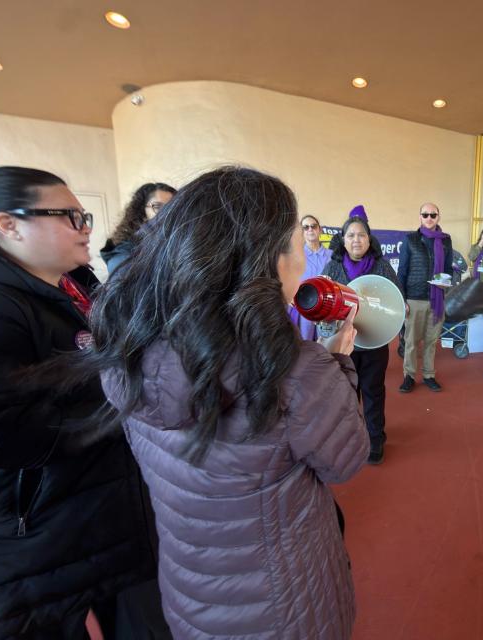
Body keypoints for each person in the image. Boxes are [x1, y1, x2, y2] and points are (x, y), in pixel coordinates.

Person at [72, 166, 368, 638]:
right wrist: (338, 365)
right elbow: (346, 460)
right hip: (283, 604)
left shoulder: (127, 343)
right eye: (295, 246)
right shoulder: (293, 369)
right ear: (265, 262)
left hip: (192, 592)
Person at [0, 167, 158, 638]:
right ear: (8, 225)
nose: (85, 228)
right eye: (69, 216)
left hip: (94, 506)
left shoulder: (70, 283)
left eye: (84, 216)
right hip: (25, 534)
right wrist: (119, 406)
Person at [322, 212, 399, 464]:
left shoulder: (382, 266)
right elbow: (324, 303)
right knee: (345, 392)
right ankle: (350, 439)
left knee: (373, 390)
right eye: (351, 235)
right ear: (343, 240)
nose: (357, 240)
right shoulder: (333, 267)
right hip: (343, 342)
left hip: (375, 340)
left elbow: (395, 298)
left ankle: (375, 438)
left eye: (362, 235)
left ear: (369, 240)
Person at [397, 202, 453, 393]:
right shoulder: (410, 239)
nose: (429, 218)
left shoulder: (446, 240)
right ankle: (409, 376)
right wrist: (402, 299)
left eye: (433, 215)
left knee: (431, 341)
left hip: (436, 300)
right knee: (411, 341)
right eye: (425, 214)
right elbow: (402, 271)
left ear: (438, 217)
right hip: (414, 298)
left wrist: (444, 283)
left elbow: (447, 270)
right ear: (420, 217)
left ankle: (429, 375)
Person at [100, 182, 176, 275]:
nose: (167, 213)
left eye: (172, 207)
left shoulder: (173, 241)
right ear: (141, 211)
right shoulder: (123, 257)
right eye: (158, 207)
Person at [287, 212, 334, 340]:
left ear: (320, 230)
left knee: (325, 344)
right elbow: (287, 279)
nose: (310, 229)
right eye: (305, 227)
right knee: (304, 343)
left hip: (326, 308)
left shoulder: (332, 256)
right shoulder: (295, 255)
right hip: (303, 306)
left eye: (313, 226)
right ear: (301, 231)